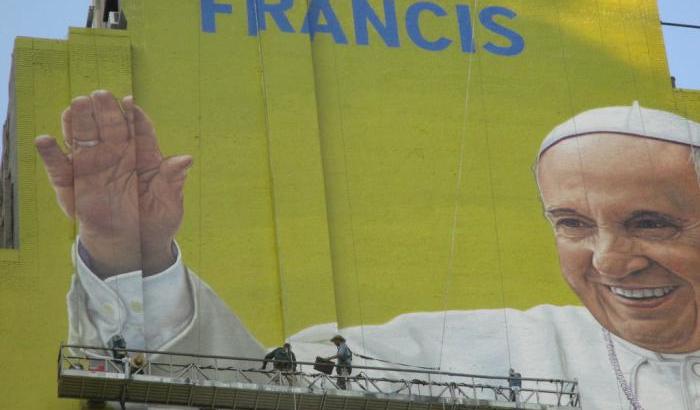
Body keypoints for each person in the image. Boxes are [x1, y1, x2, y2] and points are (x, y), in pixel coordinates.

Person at [36, 92, 700, 409]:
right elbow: (252, 394)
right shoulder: (484, 353)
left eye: (654, 224)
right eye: (573, 224)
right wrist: (133, 260)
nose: (611, 262)